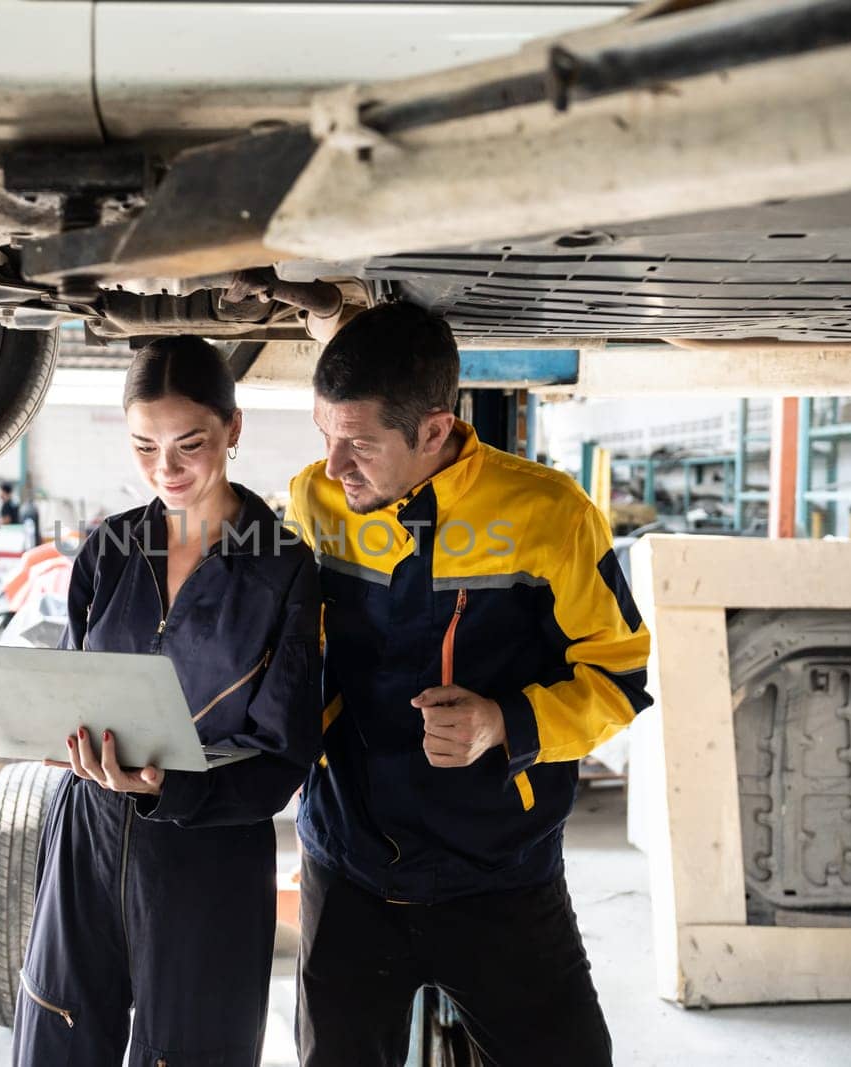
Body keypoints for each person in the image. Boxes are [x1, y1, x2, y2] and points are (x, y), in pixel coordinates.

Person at [286, 302, 653, 1067]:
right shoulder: (315, 502)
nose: (332, 467)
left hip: (498, 870)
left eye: (356, 444)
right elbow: (288, 653)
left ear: (433, 430)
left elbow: (619, 674)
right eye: (324, 435)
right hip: (350, 865)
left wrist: (504, 722)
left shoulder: (550, 515)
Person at [14, 336, 322, 1067]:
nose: (166, 470)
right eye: (144, 447)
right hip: (88, 834)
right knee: (59, 1030)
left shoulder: (282, 566)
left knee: (191, 1050)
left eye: (191, 445)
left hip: (207, 855)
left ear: (234, 430)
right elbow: (71, 682)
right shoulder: (109, 548)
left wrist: (171, 788)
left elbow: (284, 757)